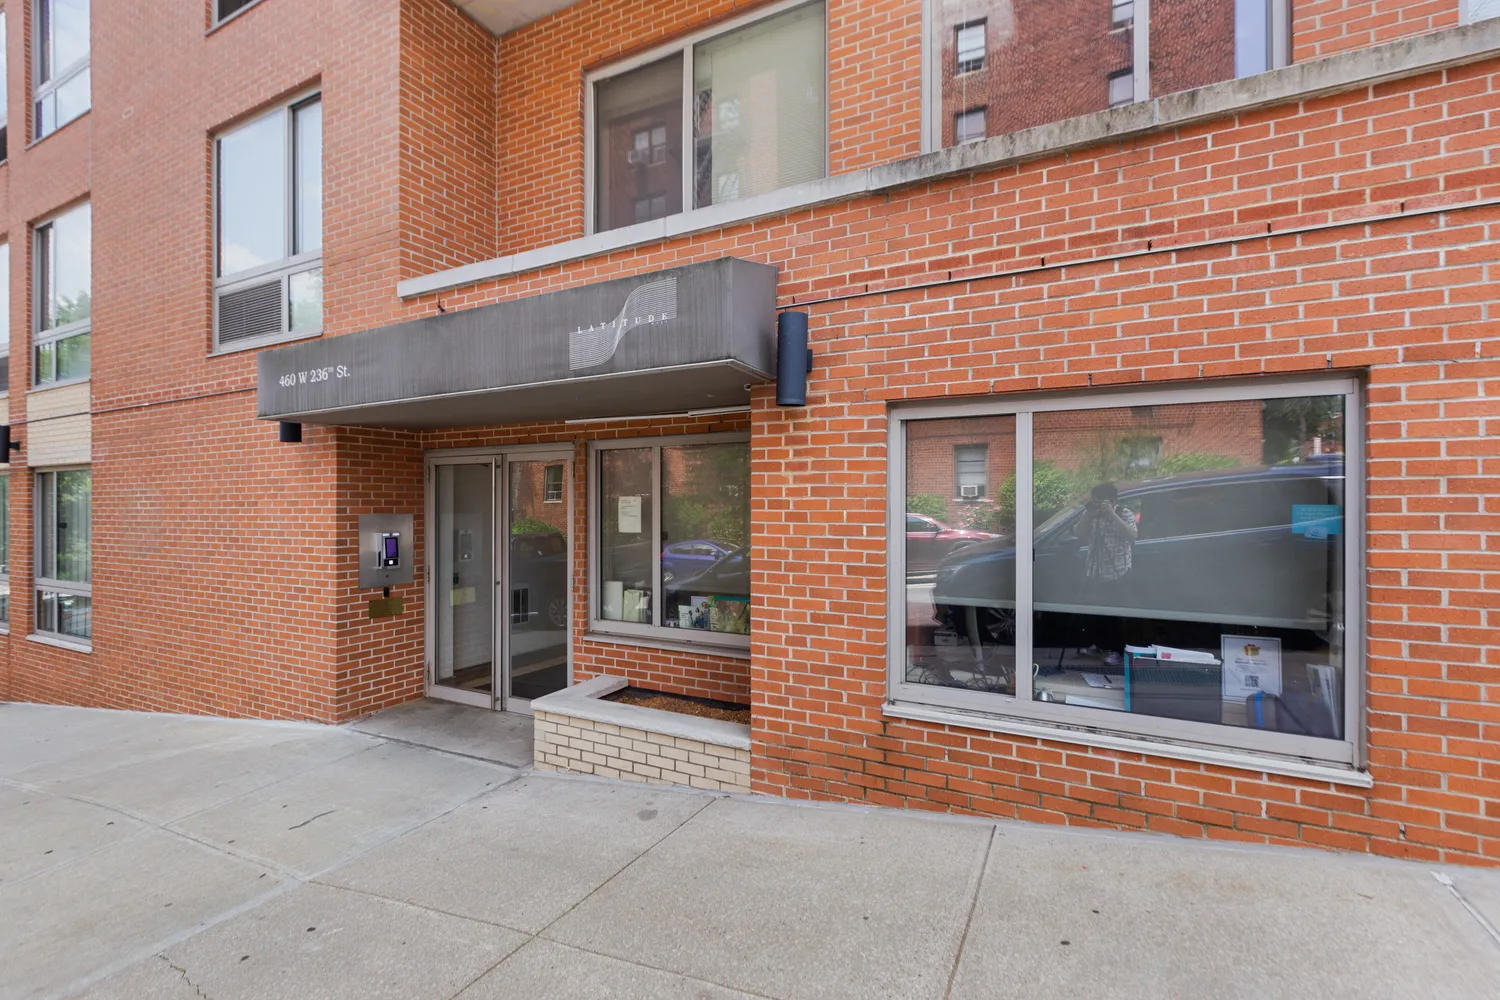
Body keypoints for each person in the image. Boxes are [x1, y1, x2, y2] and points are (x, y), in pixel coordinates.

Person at [1074, 483, 1138, 665]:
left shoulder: (1124, 513)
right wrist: (1088, 514)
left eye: (1102, 502)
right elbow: (1078, 533)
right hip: (1094, 571)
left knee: (1116, 616)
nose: (1098, 505)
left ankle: (1117, 651)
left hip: (1118, 571)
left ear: (1113, 501)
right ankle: (1098, 645)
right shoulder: (1092, 515)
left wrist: (1112, 515)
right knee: (1095, 613)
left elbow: (1133, 536)